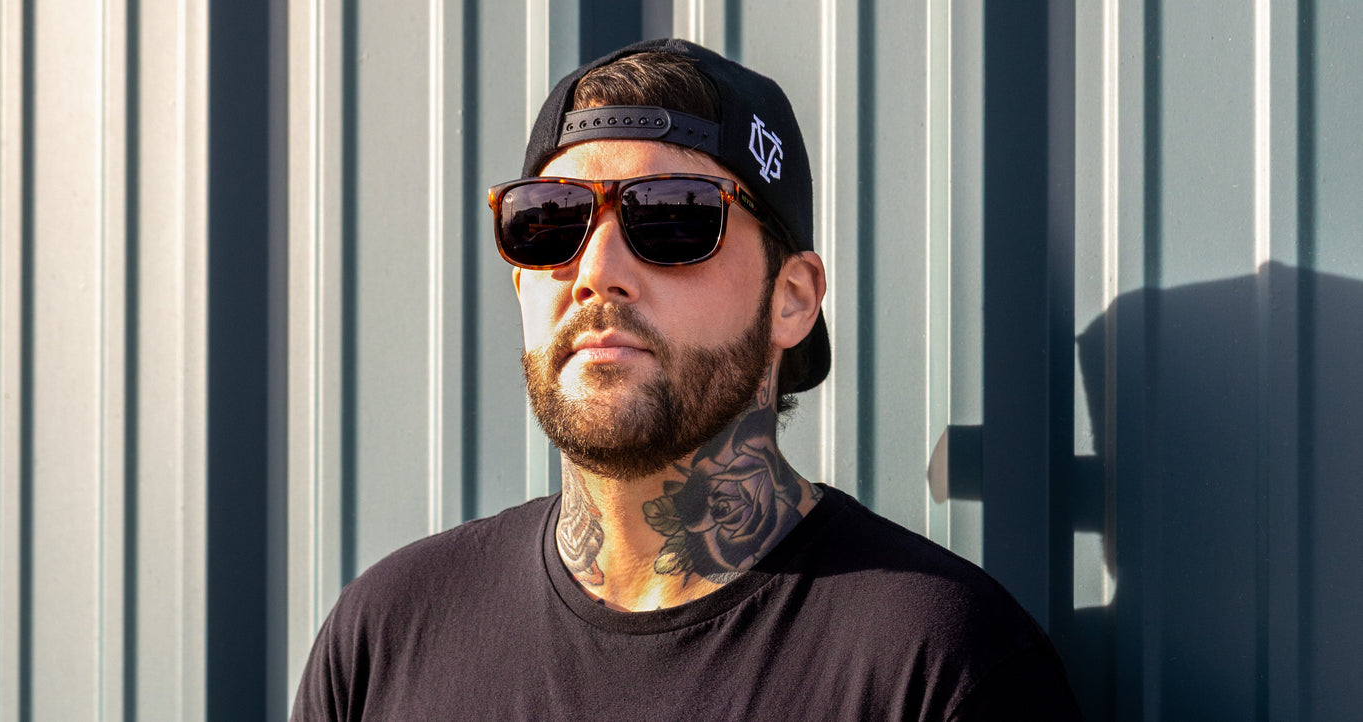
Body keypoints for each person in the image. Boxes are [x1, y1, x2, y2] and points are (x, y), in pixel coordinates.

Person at [292, 38, 1081, 721]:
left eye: (672, 216)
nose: (596, 272)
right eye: (548, 222)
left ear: (791, 297)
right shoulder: (388, 635)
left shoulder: (937, 664)